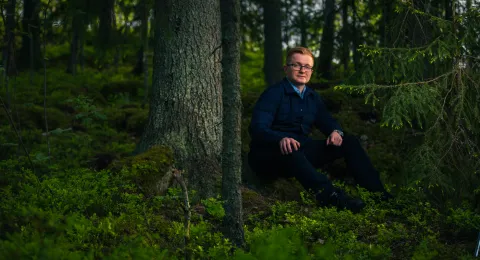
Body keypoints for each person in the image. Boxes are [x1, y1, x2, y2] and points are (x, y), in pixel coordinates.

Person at [248, 46, 392, 212]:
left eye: (307, 66)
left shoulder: (312, 97)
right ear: (286, 69)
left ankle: (378, 195)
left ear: (311, 70)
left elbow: (328, 121)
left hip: (299, 151)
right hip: (268, 155)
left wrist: (336, 132)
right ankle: (333, 198)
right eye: (297, 65)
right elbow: (257, 128)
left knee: (349, 142)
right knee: (292, 149)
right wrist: (280, 139)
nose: (303, 70)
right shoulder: (273, 94)